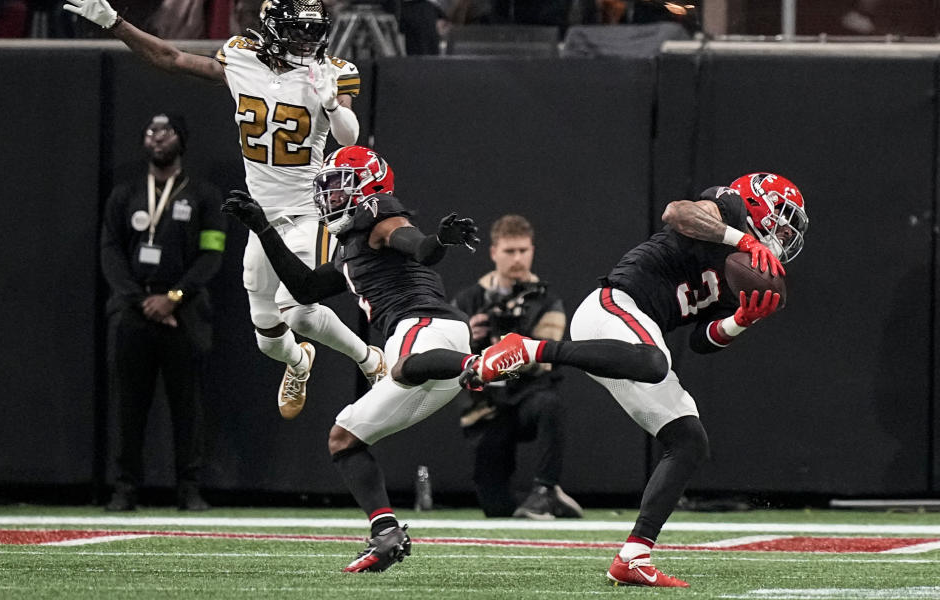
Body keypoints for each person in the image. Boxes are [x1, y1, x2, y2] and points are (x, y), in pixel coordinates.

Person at [462, 172, 808, 587]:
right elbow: (677, 212)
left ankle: (633, 556)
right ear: (754, 204)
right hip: (614, 306)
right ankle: (530, 348)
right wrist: (744, 239)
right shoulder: (727, 209)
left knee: (688, 440)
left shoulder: (743, 271)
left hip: (632, 343)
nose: (784, 233)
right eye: (781, 219)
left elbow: (701, 341)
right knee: (654, 360)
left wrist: (739, 320)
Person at [62, 0, 386, 422]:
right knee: (268, 335)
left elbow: (348, 137)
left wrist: (331, 104)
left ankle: (370, 360)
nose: (308, 41)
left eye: (314, 32)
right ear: (272, 29)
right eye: (298, 31)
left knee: (301, 311)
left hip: (311, 209)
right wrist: (115, 23)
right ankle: (298, 362)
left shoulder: (332, 71)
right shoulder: (240, 57)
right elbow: (171, 58)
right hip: (263, 215)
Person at [221, 145, 480, 573]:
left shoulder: (378, 214)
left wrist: (438, 241)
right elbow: (304, 288)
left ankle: (482, 365)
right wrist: (264, 228)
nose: (330, 197)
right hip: (422, 347)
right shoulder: (347, 248)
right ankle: (386, 534)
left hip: (426, 329)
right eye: (326, 189)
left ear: (367, 188)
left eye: (339, 187)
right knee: (344, 439)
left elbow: (417, 247)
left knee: (401, 368)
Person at [101, 113, 227, 512]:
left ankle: (189, 488)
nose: (157, 138)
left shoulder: (203, 195)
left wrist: (175, 296)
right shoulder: (126, 194)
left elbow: (212, 253)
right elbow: (111, 252)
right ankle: (124, 488)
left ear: (181, 140)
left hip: (184, 312)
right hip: (132, 309)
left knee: (187, 405)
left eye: (166, 131)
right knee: (128, 403)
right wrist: (141, 300)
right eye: (150, 131)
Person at [452, 215, 582, 520]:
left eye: (523, 250)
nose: (517, 258)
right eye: (510, 251)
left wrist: (509, 348)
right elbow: (446, 353)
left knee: (550, 404)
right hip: (487, 406)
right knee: (495, 508)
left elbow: (544, 359)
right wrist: (468, 336)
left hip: (527, 396)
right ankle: (550, 502)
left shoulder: (548, 301)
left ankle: (545, 489)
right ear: (494, 251)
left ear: (532, 250)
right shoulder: (469, 300)